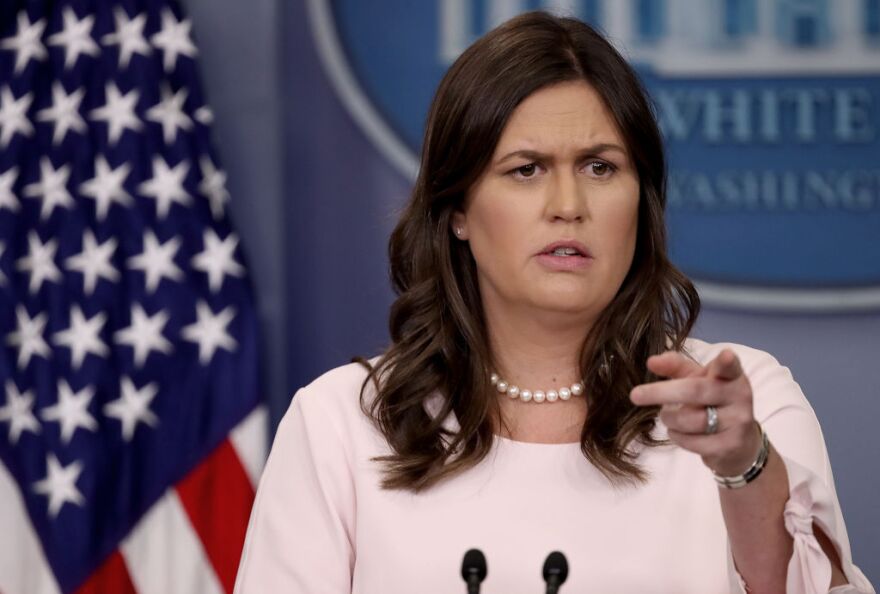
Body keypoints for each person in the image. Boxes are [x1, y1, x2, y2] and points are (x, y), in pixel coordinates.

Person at [234, 12, 875, 594]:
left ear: (641, 200)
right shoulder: (341, 424)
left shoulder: (742, 404)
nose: (568, 205)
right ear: (457, 210)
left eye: (600, 167)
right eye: (526, 169)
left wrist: (744, 466)